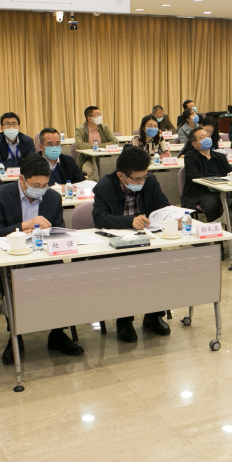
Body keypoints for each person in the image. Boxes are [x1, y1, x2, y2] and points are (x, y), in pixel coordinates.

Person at [0, 154, 82, 362]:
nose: (41, 189)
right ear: (22, 179)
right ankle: (15, 336)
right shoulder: (0, 195)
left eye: (45, 185)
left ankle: (57, 333)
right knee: (18, 281)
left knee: (62, 277)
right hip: (9, 260)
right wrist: (23, 226)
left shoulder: (52, 197)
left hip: (43, 257)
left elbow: (58, 230)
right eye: (36, 185)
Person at [91, 146, 174, 342]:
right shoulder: (104, 186)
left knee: (158, 266)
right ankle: (124, 320)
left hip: (147, 241)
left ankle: (153, 316)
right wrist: (129, 221)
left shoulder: (150, 181)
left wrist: (172, 218)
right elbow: (100, 218)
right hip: (117, 245)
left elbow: (163, 206)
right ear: (121, 175)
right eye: (137, 179)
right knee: (125, 271)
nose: (142, 182)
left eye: (144, 177)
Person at [182, 128, 232, 257]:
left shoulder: (220, 156)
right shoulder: (191, 156)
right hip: (201, 192)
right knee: (214, 205)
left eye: (207, 136)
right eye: (201, 137)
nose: (206, 139)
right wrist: (214, 181)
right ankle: (218, 245)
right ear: (194, 144)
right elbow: (193, 175)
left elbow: (230, 172)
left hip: (224, 190)